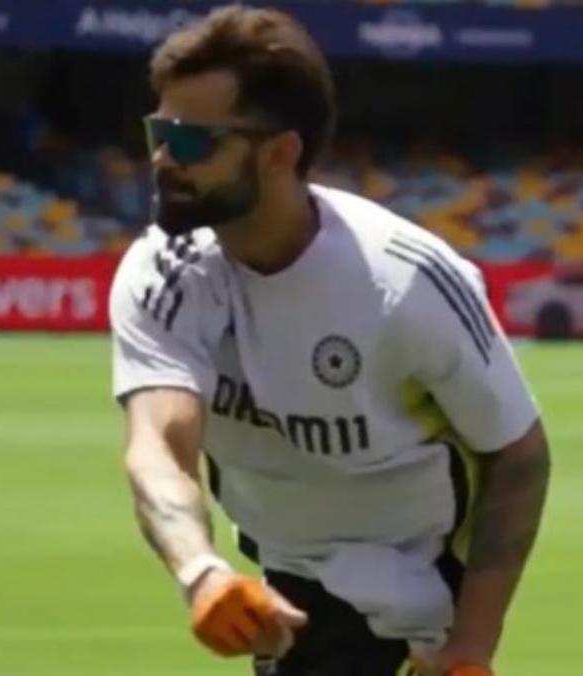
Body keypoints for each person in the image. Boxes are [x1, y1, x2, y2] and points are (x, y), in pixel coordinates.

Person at [109, 6, 551, 675]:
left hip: (417, 585)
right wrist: (201, 572)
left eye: (193, 143)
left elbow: (518, 455)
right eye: (159, 133)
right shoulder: (165, 272)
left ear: (280, 153)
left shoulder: (406, 280)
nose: (164, 160)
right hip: (285, 583)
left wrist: (472, 647)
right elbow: (158, 444)